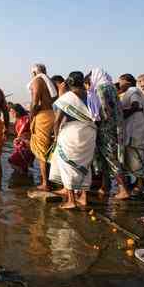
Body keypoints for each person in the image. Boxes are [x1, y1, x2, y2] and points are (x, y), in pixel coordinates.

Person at [48, 72, 97, 209]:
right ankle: (83, 197)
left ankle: (71, 200)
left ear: (69, 82)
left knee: (67, 165)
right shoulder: (91, 95)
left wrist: (56, 137)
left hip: (72, 133)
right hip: (90, 133)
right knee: (86, 165)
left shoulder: (67, 98)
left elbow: (57, 121)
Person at [86, 68, 129, 200]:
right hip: (115, 127)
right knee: (107, 157)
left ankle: (123, 189)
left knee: (110, 158)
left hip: (106, 128)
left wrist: (97, 120)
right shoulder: (111, 87)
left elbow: (105, 110)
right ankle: (106, 185)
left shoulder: (101, 89)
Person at [117, 74, 144, 196]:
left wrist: (121, 115)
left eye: (121, 82)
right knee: (133, 157)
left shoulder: (133, 91)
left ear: (127, 82)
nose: (119, 84)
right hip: (132, 129)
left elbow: (135, 105)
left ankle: (140, 185)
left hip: (135, 130)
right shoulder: (130, 92)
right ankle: (137, 182)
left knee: (137, 156)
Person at [28, 64, 57, 191]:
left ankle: (45, 183)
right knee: (50, 148)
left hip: (43, 116)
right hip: (52, 114)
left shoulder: (37, 80)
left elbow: (35, 102)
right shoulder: (51, 81)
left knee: (41, 150)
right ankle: (51, 180)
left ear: (34, 72)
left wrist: (31, 117)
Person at [8, 104, 34, 173]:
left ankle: (22, 178)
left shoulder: (25, 119)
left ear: (17, 112)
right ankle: (24, 178)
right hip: (22, 145)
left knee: (12, 160)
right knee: (20, 164)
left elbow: (22, 132)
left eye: (12, 112)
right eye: (10, 112)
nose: (11, 114)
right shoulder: (18, 120)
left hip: (26, 145)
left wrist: (18, 139)